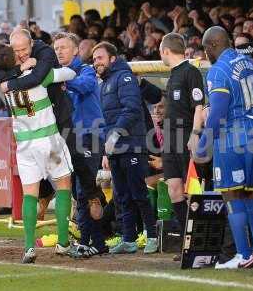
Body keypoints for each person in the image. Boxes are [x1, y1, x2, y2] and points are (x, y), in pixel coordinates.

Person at [0, 43, 75, 264]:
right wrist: (39, 64)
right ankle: (64, 243)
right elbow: (70, 72)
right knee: (64, 186)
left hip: (24, 145)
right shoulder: (39, 76)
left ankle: (29, 247)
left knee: (30, 194)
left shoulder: (4, 86)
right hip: (48, 140)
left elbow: (4, 77)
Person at [196, 26, 253, 269]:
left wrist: (204, 144)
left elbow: (216, 113)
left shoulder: (218, 71)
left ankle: (242, 253)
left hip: (232, 139)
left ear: (211, 47)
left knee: (230, 193)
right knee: (251, 192)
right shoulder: (250, 64)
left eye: (206, 50)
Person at [93, 41, 158, 254]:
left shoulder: (125, 77)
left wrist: (115, 134)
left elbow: (131, 110)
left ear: (112, 58)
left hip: (132, 145)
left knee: (138, 193)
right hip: (115, 147)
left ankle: (152, 236)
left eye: (100, 58)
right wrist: (106, 148)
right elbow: (106, 119)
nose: (96, 63)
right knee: (121, 196)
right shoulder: (104, 83)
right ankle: (128, 239)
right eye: (94, 60)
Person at [53, 32, 107, 257]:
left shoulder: (85, 71)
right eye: (56, 48)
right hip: (70, 139)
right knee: (77, 191)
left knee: (83, 191)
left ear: (75, 50)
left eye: (63, 47)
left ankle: (88, 241)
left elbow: (84, 86)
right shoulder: (58, 76)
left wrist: (62, 80)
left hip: (90, 136)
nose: (59, 51)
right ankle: (97, 240)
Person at [158, 32, 204, 242]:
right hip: (169, 138)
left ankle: (199, 238)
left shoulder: (190, 72)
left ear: (166, 51)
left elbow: (199, 107)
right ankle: (188, 241)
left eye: (160, 51)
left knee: (192, 189)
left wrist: (195, 134)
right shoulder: (173, 74)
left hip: (185, 135)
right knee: (174, 189)